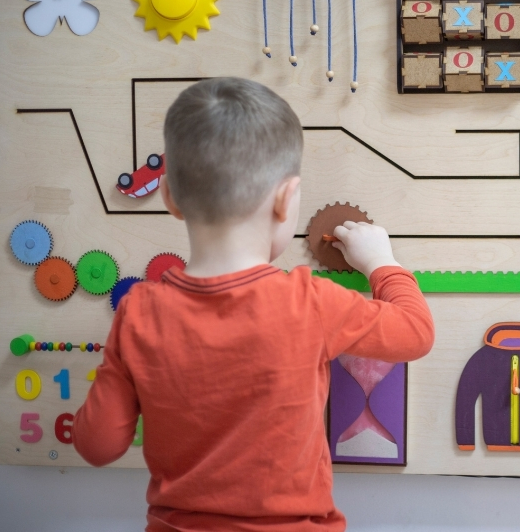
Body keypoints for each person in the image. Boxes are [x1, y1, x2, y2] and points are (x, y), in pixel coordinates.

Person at [73, 77, 435, 531]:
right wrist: (381, 261)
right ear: (286, 199)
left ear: (169, 197)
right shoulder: (311, 303)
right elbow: (416, 332)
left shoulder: (137, 313)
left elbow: (97, 445)